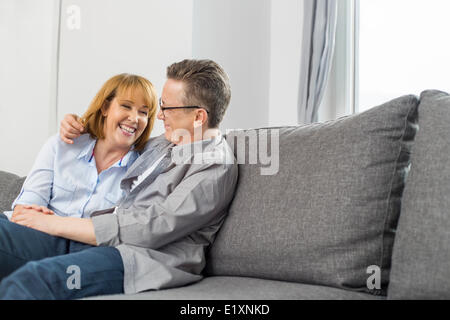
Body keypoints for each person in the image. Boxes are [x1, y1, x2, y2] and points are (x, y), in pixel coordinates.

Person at [0, 59, 238, 299]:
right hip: (96, 241)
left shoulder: (214, 164)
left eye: (166, 108)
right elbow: (116, 138)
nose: (160, 116)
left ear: (198, 117)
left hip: (139, 258)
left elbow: (152, 226)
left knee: (34, 280)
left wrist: (50, 223)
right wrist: (80, 127)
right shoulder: (166, 143)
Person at [6, 73, 158, 220]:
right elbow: (26, 206)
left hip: (84, 243)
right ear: (105, 108)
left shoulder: (140, 173)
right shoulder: (61, 146)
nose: (134, 118)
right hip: (36, 231)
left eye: (143, 112)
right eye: (126, 106)